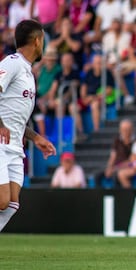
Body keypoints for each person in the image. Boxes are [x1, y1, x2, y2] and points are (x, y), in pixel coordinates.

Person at [0, 20, 57, 232]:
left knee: (12, 204)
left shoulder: (27, 72)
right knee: (3, 200)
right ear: (37, 40)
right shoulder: (12, 63)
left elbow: (14, 117)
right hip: (1, 143)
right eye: (43, 40)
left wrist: (36, 138)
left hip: (14, 146)